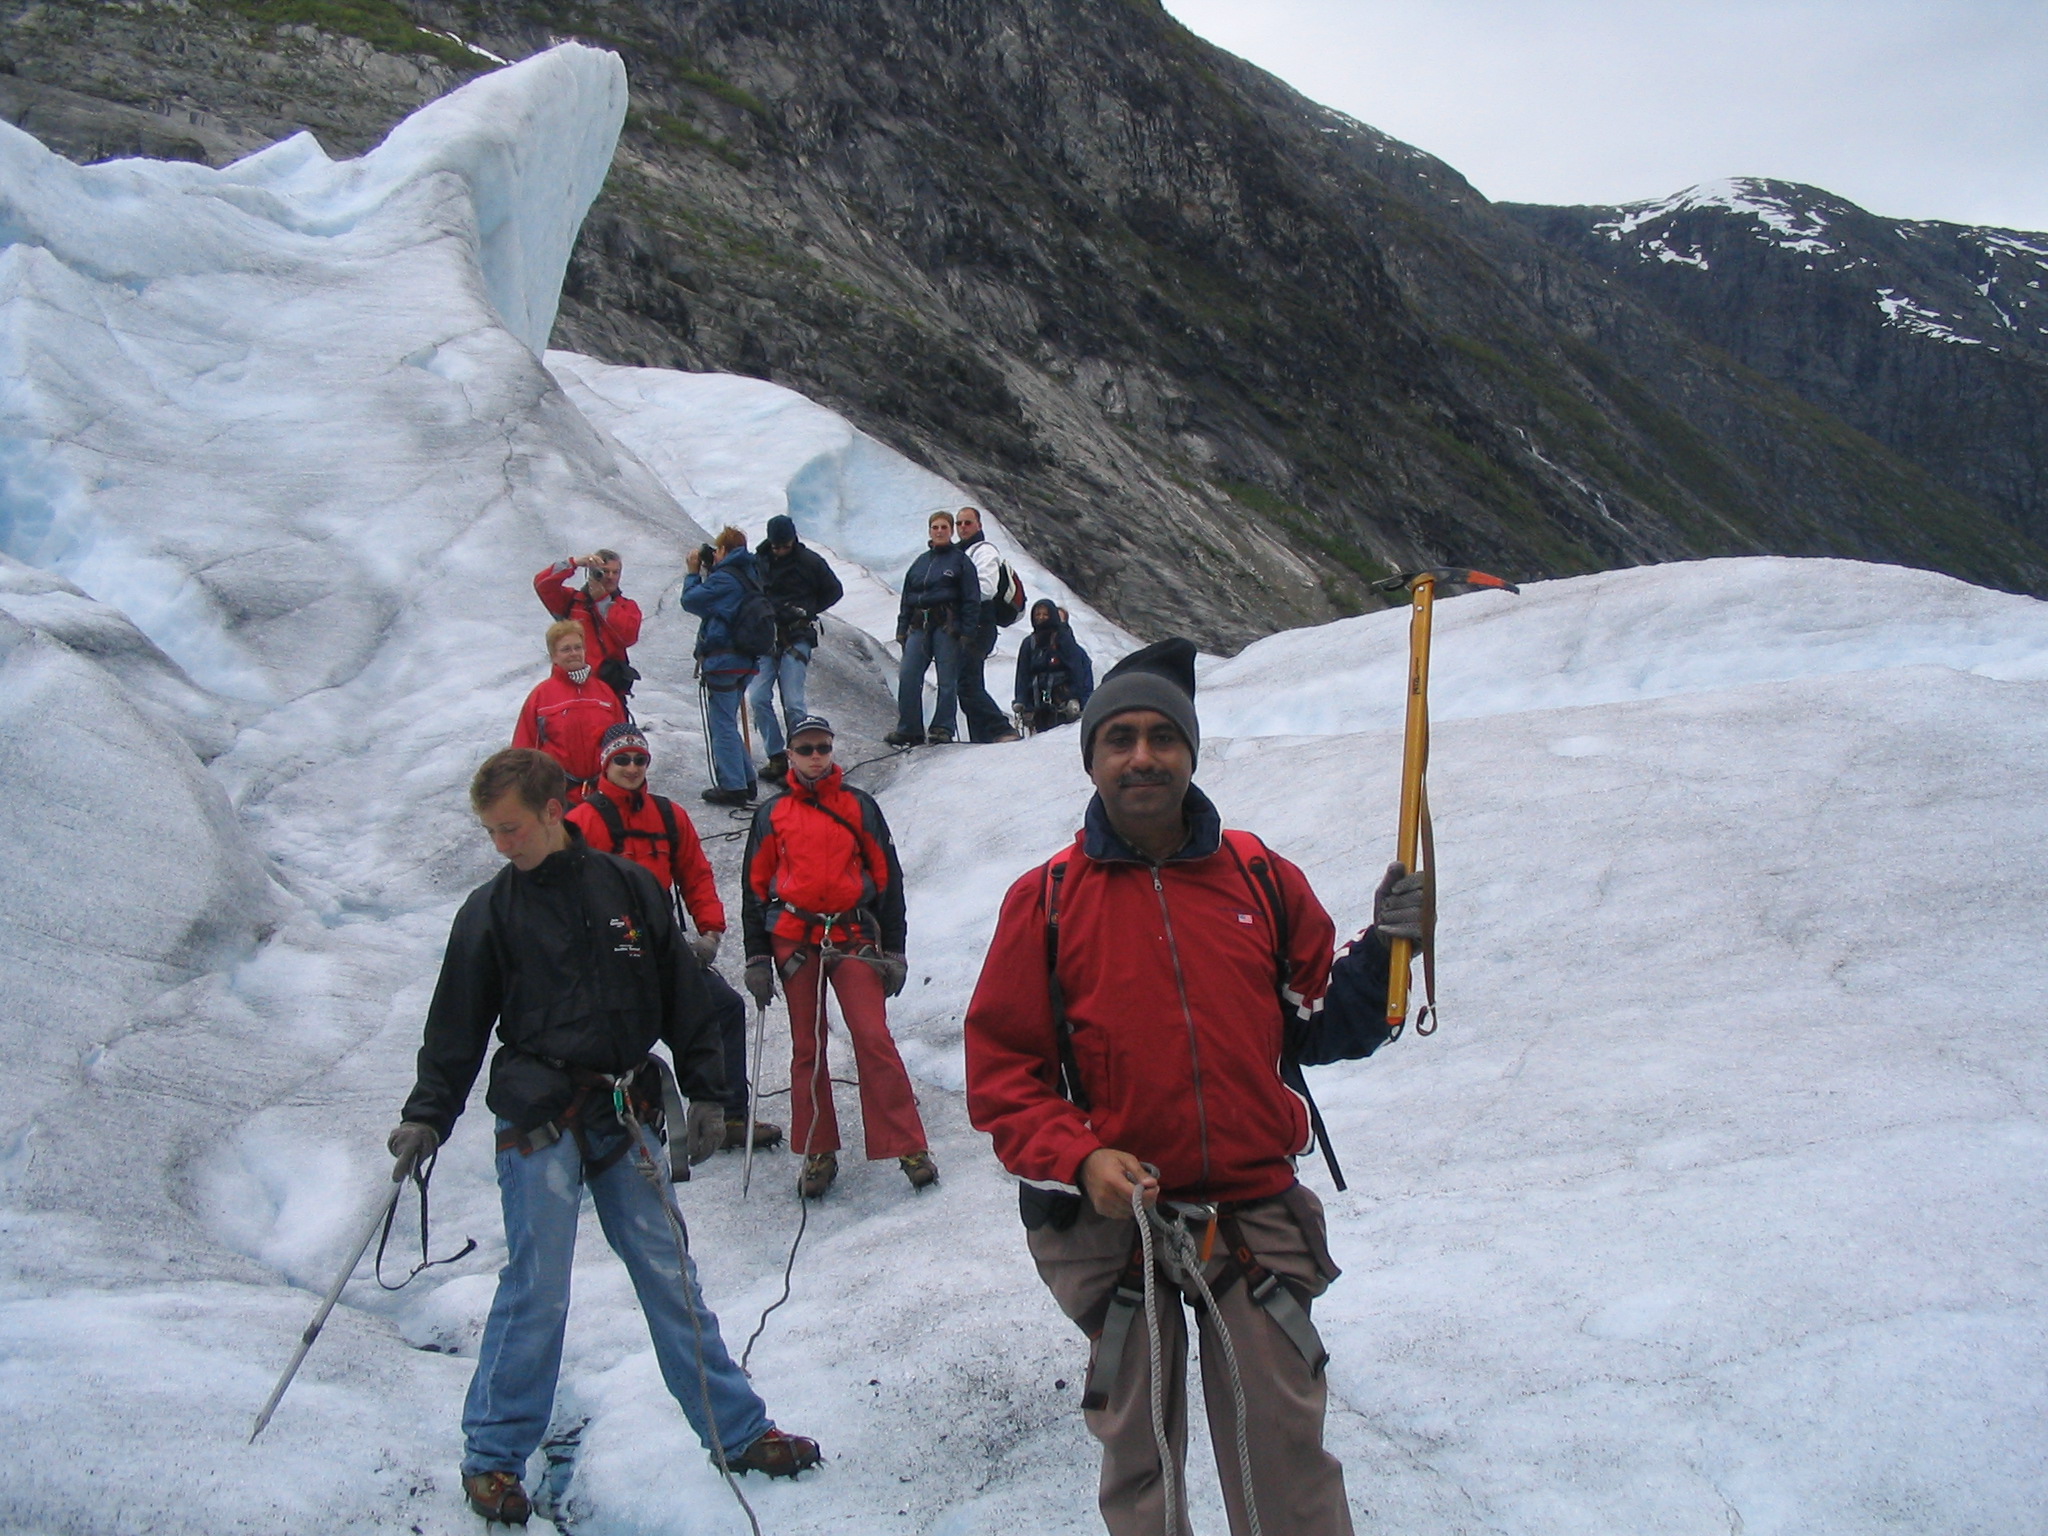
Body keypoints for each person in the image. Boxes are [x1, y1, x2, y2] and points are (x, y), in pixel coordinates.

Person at [962, 638, 1420, 1536]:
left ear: (1191, 752)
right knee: (1143, 1460)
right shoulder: (1047, 901)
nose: (1141, 756)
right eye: (1119, 738)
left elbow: (1320, 1019)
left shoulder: (1258, 877)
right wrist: (1082, 1156)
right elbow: (1003, 1075)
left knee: (1282, 1449)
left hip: (1249, 1212)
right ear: (1091, 758)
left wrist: (1389, 953)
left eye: (1162, 737)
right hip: (1114, 1228)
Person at [387, 748, 820, 1525]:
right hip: (536, 1116)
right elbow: (455, 1026)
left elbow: (685, 997)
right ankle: (492, 1458)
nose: (501, 845)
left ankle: (739, 1432)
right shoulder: (489, 912)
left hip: (624, 1109)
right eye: (490, 831)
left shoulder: (631, 888)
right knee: (538, 1287)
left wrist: (713, 1092)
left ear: (554, 812)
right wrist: (427, 1115)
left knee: (669, 1276)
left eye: (511, 827)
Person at [739, 715, 936, 1199]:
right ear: (790, 754)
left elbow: (888, 879)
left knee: (873, 1036)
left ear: (831, 751)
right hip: (793, 938)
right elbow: (754, 888)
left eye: (821, 747)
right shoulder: (772, 814)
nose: (814, 756)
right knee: (808, 1044)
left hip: (850, 934)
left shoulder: (859, 807)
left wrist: (895, 948)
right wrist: (757, 957)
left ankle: (909, 1145)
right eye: (805, 748)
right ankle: (817, 1150)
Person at [568, 722, 782, 1151]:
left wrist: (710, 931)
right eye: (622, 760)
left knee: (723, 1008)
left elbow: (695, 874)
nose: (631, 767)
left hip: (664, 945)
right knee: (616, 1038)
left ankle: (728, 1115)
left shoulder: (668, 815)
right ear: (605, 764)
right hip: (607, 955)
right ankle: (609, 1124)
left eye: (639, 759)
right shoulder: (582, 822)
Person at [748, 514, 845, 784]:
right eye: (777, 545)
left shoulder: (809, 562)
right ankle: (777, 755)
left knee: (793, 702)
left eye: (785, 545)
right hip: (766, 637)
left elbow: (835, 590)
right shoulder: (759, 561)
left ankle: (798, 760)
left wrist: (808, 609)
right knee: (757, 697)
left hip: (796, 636)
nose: (780, 550)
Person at [681, 527, 762, 806]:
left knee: (722, 723)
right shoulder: (749, 574)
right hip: (746, 660)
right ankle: (746, 780)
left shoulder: (726, 579)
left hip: (725, 659)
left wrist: (693, 573)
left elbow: (691, 601)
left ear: (725, 551)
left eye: (717, 551)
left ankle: (733, 786)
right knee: (727, 720)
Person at [885, 510, 980, 747]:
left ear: (950, 531)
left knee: (947, 680)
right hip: (919, 626)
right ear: (929, 531)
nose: (939, 532)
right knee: (908, 675)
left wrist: (967, 630)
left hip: (947, 627)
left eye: (944, 528)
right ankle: (910, 729)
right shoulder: (920, 562)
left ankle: (942, 728)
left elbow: (971, 598)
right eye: (935, 528)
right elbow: (907, 597)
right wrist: (902, 627)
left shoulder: (960, 561)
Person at [512, 620, 625, 804]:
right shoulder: (540, 697)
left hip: (604, 796)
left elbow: (621, 745)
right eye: (566, 649)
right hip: (558, 798)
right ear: (553, 656)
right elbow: (523, 753)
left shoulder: (605, 693)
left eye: (577, 647)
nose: (573, 653)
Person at [534, 549, 643, 704]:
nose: (610, 577)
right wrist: (574, 563)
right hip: (569, 689)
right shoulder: (571, 601)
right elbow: (542, 583)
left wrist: (603, 601)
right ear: (592, 573)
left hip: (608, 691)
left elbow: (627, 637)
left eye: (615, 572)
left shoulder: (627, 607)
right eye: (604, 572)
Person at [952, 505, 1022, 745]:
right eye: (959, 523)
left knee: (967, 682)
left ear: (979, 525)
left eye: (968, 523)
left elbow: (987, 588)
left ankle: (1001, 729)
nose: (963, 527)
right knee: (969, 681)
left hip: (979, 624)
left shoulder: (983, 551)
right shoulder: (962, 552)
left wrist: (953, 593)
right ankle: (982, 739)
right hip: (970, 625)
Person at [1013, 598, 1095, 733]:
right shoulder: (1029, 643)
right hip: (1036, 704)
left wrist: (1076, 698)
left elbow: (1076, 670)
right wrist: (1021, 701)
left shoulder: (1064, 640)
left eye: (1045, 615)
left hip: (1061, 703)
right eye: (1038, 615)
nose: (1041, 618)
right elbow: (1022, 674)